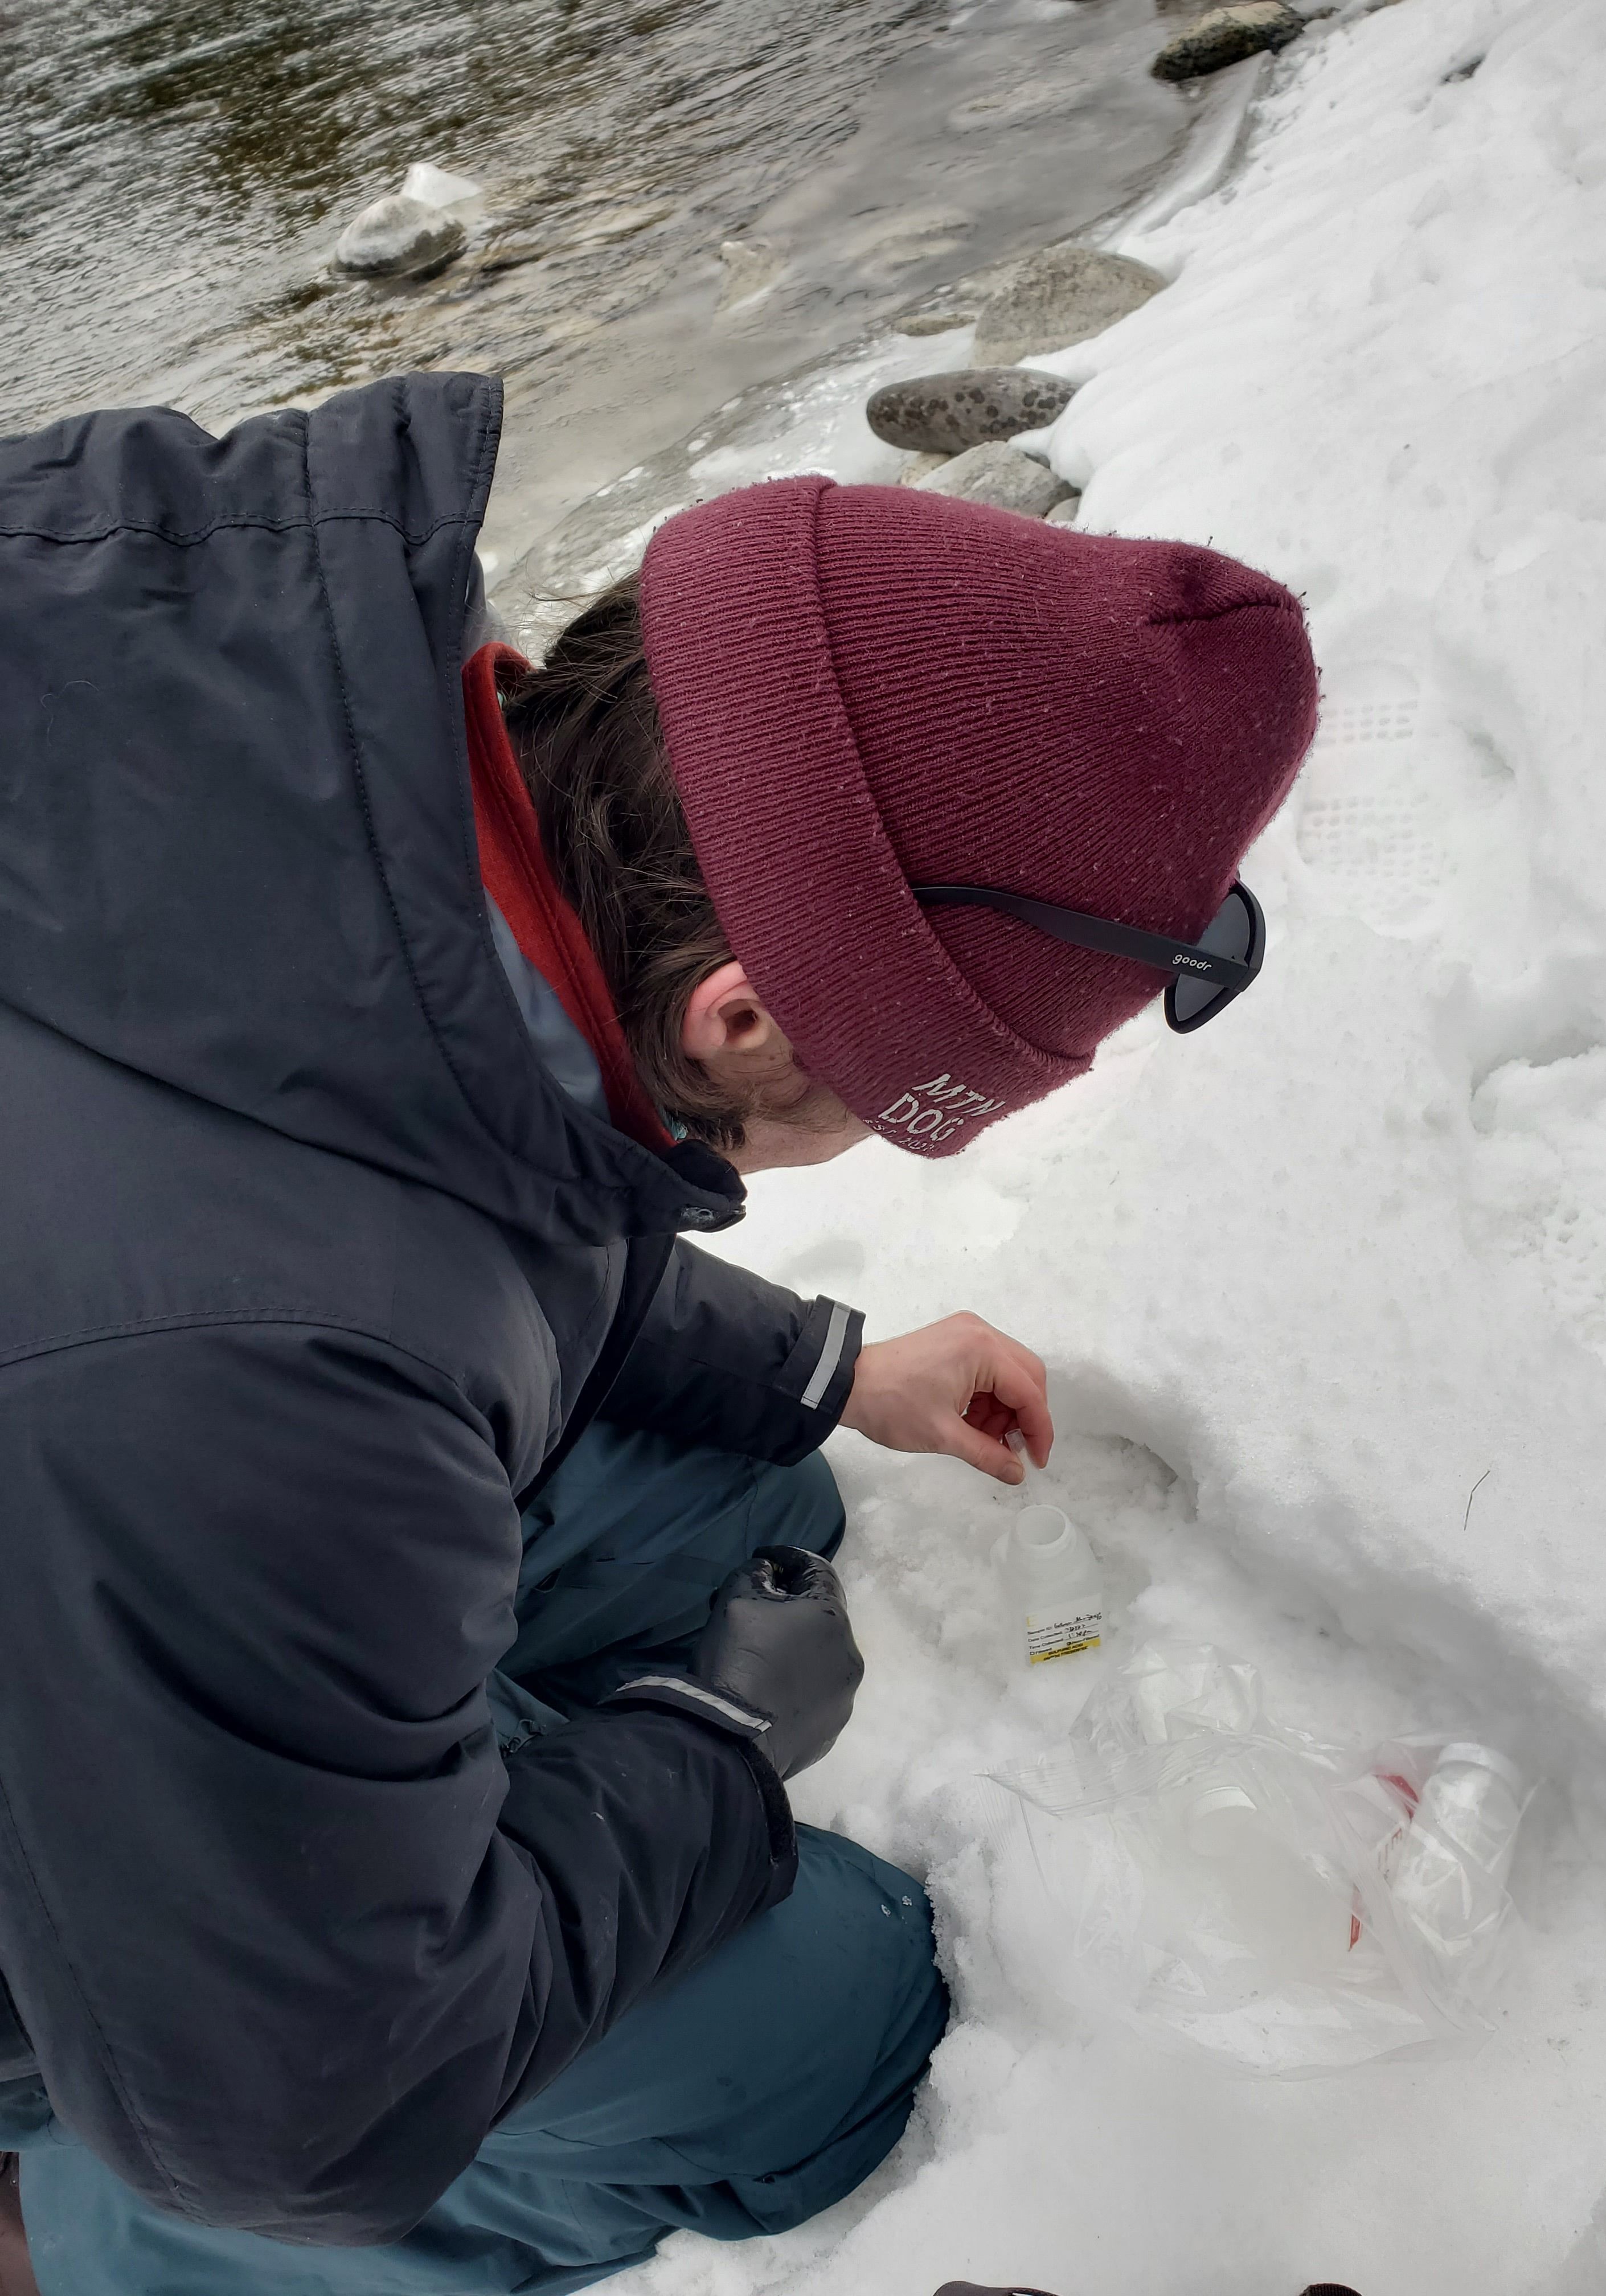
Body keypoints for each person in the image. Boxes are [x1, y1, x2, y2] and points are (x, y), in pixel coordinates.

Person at [0, 371, 1318, 2295]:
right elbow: (310, 2109)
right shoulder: (235, 1372)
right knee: (826, 2024)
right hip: (136, 1971)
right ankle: (61, 2234)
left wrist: (828, 1372)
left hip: (127, 1522)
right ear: (735, 1019)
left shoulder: (290, 701)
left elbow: (456, 1160)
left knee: (745, 1480)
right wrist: (708, 1750)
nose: (855, 1137)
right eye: (881, 1093)